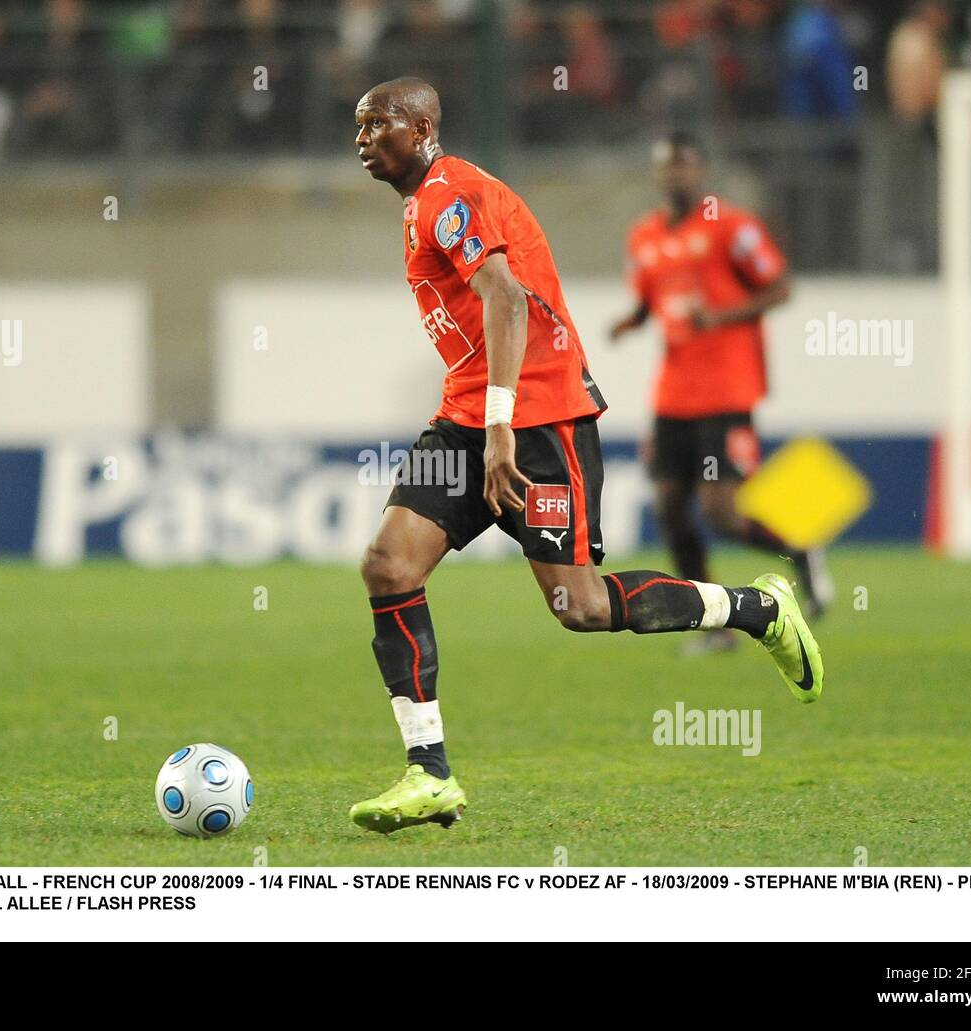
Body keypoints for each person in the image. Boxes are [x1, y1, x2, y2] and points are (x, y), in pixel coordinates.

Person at [349, 79, 825, 834]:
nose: (364, 139)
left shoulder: (451, 195)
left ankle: (757, 609)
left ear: (425, 128)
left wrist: (502, 428)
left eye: (379, 125)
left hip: (539, 422)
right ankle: (428, 772)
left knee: (582, 605)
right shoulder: (422, 203)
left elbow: (504, 299)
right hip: (467, 416)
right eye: (358, 127)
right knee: (389, 564)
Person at [611, 132, 833, 658]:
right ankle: (714, 626)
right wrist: (630, 322)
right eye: (667, 166)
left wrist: (721, 316)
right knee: (667, 507)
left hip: (727, 388)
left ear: (701, 171)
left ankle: (798, 545)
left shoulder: (731, 226)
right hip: (672, 395)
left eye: (684, 165)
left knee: (719, 513)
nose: (675, 175)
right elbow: (649, 300)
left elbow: (780, 287)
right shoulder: (643, 236)